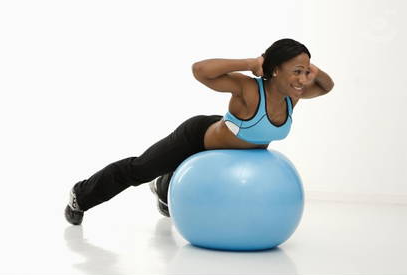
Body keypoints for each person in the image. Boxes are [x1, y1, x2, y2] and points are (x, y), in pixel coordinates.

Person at [65, 38, 334, 225]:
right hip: (197, 138)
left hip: (226, 146)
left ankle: (164, 185)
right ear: (275, 70)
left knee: (163, 175)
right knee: (139, 169)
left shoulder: (292, 95)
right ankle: (81, 196)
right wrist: (248, 61)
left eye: (306, 71)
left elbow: (326, 86)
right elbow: (200, 70)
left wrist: (313, 69)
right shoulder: (249, 89)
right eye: (297, 71)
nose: (303, 79)